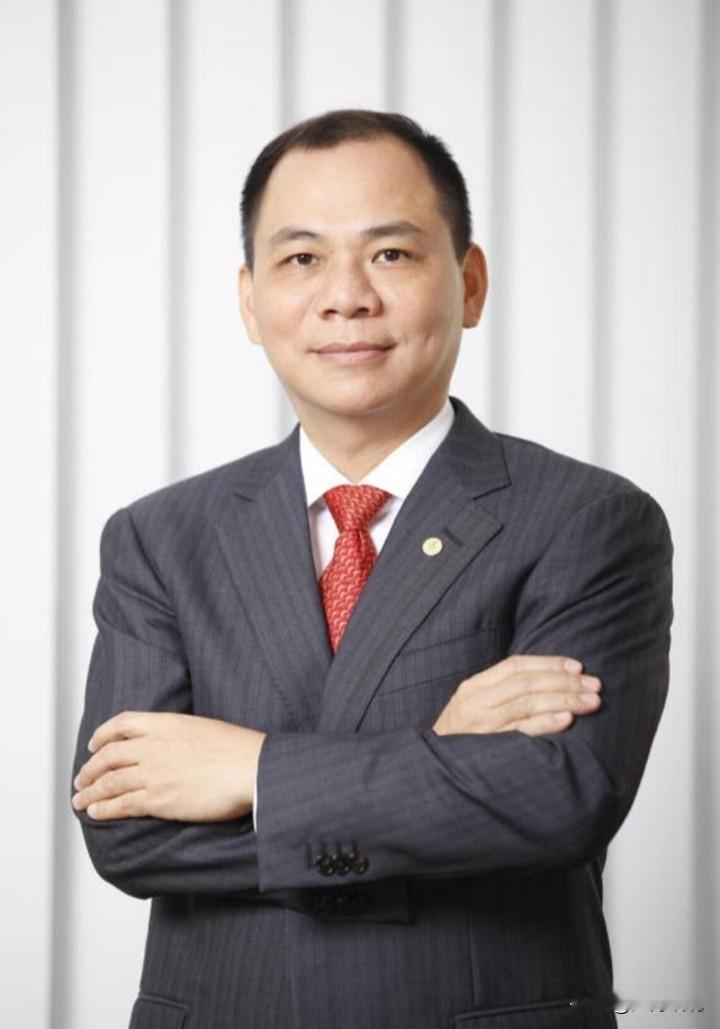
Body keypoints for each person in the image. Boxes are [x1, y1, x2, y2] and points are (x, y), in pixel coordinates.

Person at [71, 109, 673, 1029]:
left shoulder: (587, 521)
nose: (345, 296)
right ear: (250, 301)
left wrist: (251, 769)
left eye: (390, 253)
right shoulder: (160, 538)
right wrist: (438, 751)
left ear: (469, 283)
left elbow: (557, 797)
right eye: (301, 258)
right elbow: (127, 831)